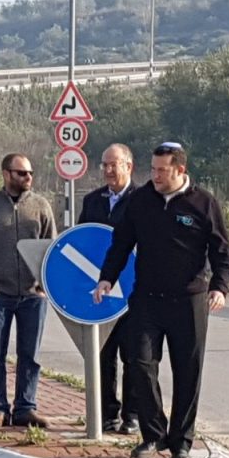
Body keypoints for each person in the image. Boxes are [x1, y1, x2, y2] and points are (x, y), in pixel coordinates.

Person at [95, 143, 229, 458]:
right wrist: (106, 278)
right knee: (141, 364)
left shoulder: (203, 203)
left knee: (188, 372)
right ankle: (153, 435)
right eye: (152, 169)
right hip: (147, 299)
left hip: (189, 301)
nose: (154, 176)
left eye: (161, 170)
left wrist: (220, 287)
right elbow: (121, 243)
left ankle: (181, 443)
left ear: (180, 170)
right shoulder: (141, 201)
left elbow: (221, 252)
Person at [0, 153, 57, 429]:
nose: (27, 177)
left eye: (30, 173)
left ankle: (25, 407)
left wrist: (43, 287)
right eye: (21, 173)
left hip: (32, 296)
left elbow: (51, 248)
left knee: (31, 355)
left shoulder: (41, 207)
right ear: (6, 174)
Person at [78, 143, 139, 435]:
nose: (109, 171)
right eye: (104, 165)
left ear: (129, 166)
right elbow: (81, 240)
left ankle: (132, 415)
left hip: (132, 291)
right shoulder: (92, 201)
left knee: (134, 356)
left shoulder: (143, 200)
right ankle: (107, 414)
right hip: (101, 289)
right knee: (104, 355)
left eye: (114, 165)